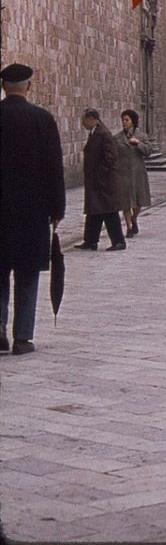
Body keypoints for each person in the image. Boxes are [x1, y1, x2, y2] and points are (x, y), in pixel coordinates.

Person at [0, 63, 66, 355]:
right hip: (32, 212)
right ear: (28, 86)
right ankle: (23, 337)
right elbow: (54, 168)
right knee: (27, 274)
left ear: (4, 87)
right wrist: (57, 209)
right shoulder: (42, 119)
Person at [74, 108, 127, 251]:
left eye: (84, 120)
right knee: (94, 212)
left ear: (92, 119)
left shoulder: (103, 133)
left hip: (104, 182)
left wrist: (100, 174)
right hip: (96, 182)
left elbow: (111, 157)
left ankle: (118, 241)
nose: (82, 123)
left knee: (109, 212)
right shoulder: (95, 133)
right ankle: (91, 240)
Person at [114, 109, 152, 238]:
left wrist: (138, 143)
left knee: (138, 201)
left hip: (138, 173)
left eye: (127, 120)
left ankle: (134, 218)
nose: (124, 122)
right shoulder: (117, 138)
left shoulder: (142, 136)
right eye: (123, 120)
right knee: (126, 202)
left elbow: (148, 151)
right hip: (123, 173)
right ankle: (129, 227)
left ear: (133, 121)